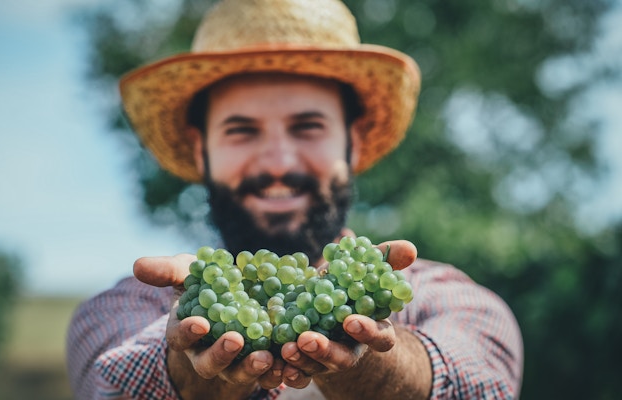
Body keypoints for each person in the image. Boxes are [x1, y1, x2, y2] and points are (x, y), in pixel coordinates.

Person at [66, 0, 524, 399]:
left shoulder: (453, 301)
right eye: (241, 130)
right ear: (202, 148)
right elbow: (113, 385)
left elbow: (481, 384)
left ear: (355, 142)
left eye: (308, 127)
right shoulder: (118, 314)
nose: (278, 162)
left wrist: (366, 358)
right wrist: (191, 365)